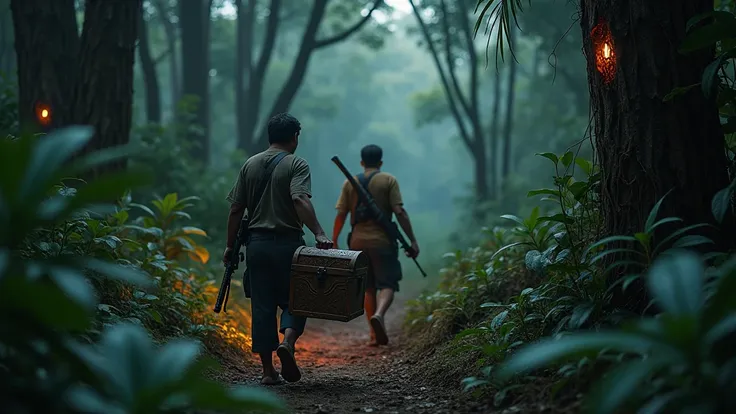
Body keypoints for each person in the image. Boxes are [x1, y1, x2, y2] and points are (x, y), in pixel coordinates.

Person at [224, 113, 333, 385]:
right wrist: (318, 231)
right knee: (297, 298)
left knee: (262, 306)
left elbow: (236, 208)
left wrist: (229, 246)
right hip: (288, 245)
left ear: (269, 137)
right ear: (295, 136)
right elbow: (299, 199)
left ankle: (268, 372)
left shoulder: (249, 164)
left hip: (256, 246)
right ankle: (288, 342)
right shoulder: (297, 163)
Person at [332, 144, 419, 347]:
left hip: (357, 242)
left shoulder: (349, 183)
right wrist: (412, 240)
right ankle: (379, 315)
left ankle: (373, 334)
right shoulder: (388, 180)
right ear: (380, 162)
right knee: (387, 283)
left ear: (362, 162)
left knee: (367, 287)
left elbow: (341, 214)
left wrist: (334, 239)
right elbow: (399, 212)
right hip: (382, 242)